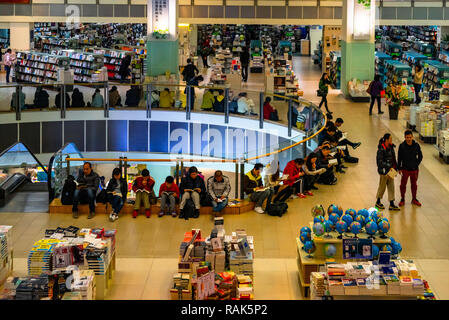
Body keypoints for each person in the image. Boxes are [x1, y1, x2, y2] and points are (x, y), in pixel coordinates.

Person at [398, 130, 423, 207]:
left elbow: (420, 156)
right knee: (403, 185)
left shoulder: (416, 145)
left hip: (414, 169)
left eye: (410, 137)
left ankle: (414, 199)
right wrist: (400, 168)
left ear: (412, 137)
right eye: (407, 137)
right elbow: (399, 158)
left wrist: (416, 164)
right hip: (405, 169)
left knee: (414, 185)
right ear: (405, 137)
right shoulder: (402, 146)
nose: (408, 139)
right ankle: (402, 199)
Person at [375, 133, 400, 211]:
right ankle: (378, 202)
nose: (391, 140)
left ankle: (391, 204)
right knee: (382, 187)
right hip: (384, 171)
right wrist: (389, 165)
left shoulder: (391, 147)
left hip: (391, 171)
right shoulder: (381, 149)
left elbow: (393, 158)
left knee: (391, 187)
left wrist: (396, 167)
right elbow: (379, 162)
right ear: (386, 140)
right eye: (390, 139)